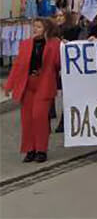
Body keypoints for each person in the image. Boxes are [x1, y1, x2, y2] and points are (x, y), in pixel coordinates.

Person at [3, 18, 61, 163]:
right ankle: (30, 149)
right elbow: (17, 66)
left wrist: (64, 47)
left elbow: (59, 64)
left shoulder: (54, 44)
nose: (35, 29)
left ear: (46, 29)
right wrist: (9, 85)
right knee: (27, 119)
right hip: (28, 84)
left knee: (39, 117)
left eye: (39, 27)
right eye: (34, 26)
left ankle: (41, 149)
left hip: (44, 84)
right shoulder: (26, 44)